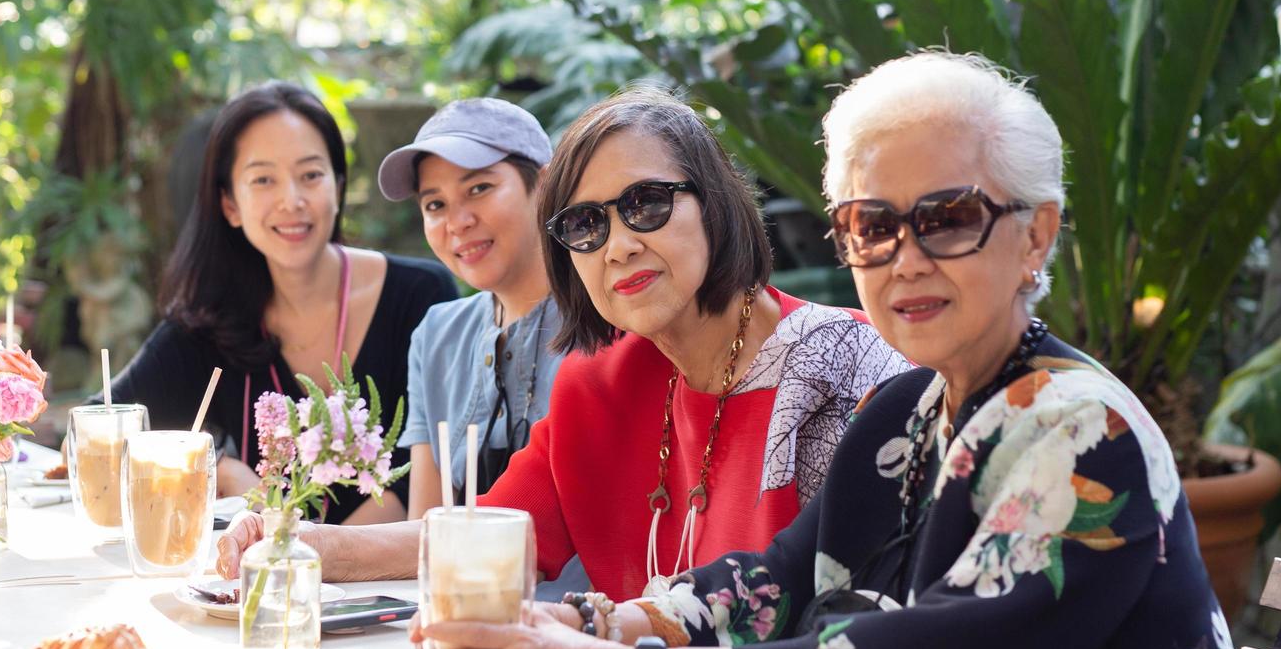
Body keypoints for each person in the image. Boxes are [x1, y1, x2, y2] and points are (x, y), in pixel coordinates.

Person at [411, 53, 1264, 649]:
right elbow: (778, 581)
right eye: (872, 226)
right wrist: (590, 621)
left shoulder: (1084, 431)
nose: (907, 259)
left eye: (951, 218)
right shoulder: (907, 409)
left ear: (1035, 236)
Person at [218, 86, 909, 598]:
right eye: (586, 225)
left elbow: (855, 630)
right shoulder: (596, 384)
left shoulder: (845, 369)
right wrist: (300, 541)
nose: (619, 245)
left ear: (716, 199)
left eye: (646, 203)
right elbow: (480, 534)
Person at [96, 82, 457, 524]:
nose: (292, 200)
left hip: (393, 588)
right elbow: (97, 430)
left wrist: (310, 550)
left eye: (311, 175)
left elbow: (430, 484)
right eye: (263, 179)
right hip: (262, 588)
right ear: (230, 203)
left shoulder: (419, 296)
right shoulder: (209, 321)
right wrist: (214, 466)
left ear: (338, 187)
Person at [376, 98, 564, 516]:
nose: (456, 222)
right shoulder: (436, 335)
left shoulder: (610, 319)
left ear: (546, 185)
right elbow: (424, 529)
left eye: (479, 188)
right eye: (434, 205)